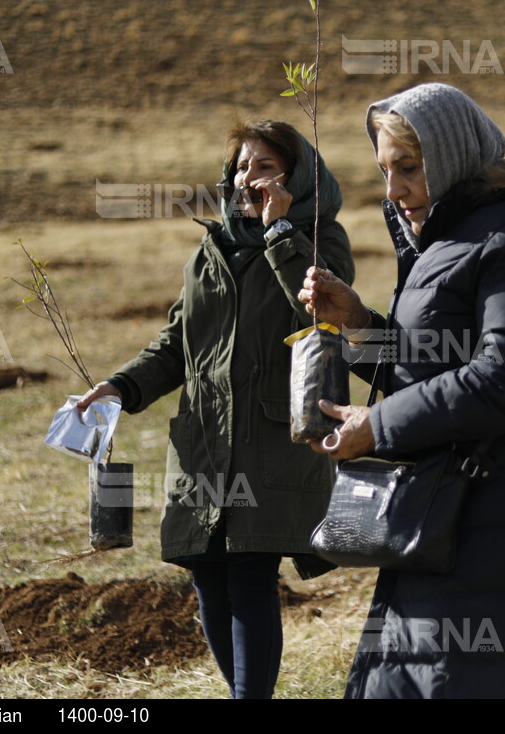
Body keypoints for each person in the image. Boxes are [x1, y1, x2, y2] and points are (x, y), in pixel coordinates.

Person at [298, 82, 505, 699]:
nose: (393, 190)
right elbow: (431, 363)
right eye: (385, 171)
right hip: (441, 518)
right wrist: (358, 326)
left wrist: (376, 427)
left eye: (408, 168)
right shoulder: (447, 235)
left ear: (451, 154)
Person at [77, 119, 354, 699]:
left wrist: (280, 230)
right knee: (208, 577)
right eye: (241, 167)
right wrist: (120, 388)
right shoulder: (210, 248)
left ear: (295, 178)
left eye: (265, 167)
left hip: (269, 439)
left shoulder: (320, 238)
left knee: (251, 574)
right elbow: (178, 342)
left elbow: (321, 314)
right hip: (203, 438)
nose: (248, 178)